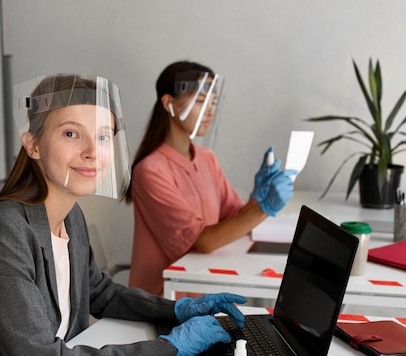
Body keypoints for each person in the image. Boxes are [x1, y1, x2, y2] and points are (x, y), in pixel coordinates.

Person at [0, 73, 248, 356]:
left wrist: (176, 311)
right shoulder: (1, 231)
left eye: (103, 136)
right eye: (70, 134)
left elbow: (100, 292)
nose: (92, 151)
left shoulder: (71, 217)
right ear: (33, 144)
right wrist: (166, 348)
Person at [124, 61, 296, 296]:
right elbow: (204, 241)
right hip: (167, 300)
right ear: (168, 103)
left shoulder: (207, 158)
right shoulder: (151, 171)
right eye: (200, 101)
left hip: (207, 288)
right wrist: (265, 208)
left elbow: (235, 221)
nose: (210, 111)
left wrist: (258, 199)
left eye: (213, 102)